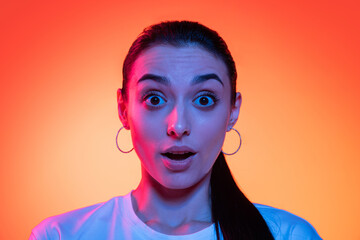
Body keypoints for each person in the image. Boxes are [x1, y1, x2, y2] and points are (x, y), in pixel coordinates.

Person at [30, 21, 322, 240]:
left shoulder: (287, 235)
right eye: (154, 99)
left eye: (204, 99)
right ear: (123, 109)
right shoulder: (60, 235)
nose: (178, 126)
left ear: (232, 111)